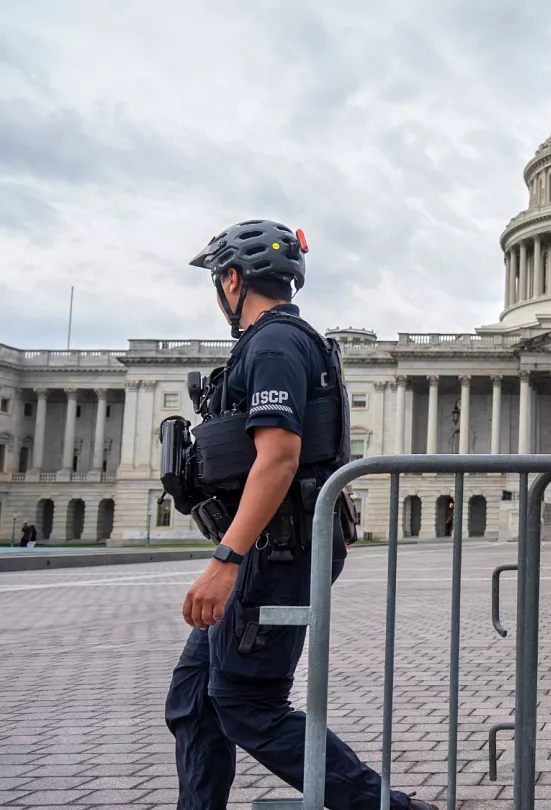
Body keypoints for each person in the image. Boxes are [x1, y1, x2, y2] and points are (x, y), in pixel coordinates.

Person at [162, 220, 437, 810]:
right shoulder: (270, 343)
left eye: (218, 281)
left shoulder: (275, 344)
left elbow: (279, 457)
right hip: (269, 545)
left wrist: (226, 558)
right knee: (194, 697)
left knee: (246, 704)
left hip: (273, 551)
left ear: (232, 281)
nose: (218, 293)